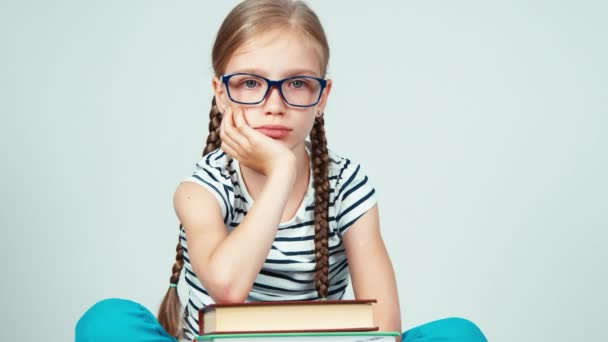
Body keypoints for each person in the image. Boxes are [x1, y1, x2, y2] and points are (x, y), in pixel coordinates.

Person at [75, 1, 487, 341]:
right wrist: (281, 174)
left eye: (297, 84)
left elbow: (387, 326)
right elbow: (228, 289)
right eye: (251, 84)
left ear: (322, 96)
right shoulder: (200, 189)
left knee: (458, 334)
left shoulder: (348, 186)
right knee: (108, 321)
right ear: (221, 93)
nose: (274, 104)